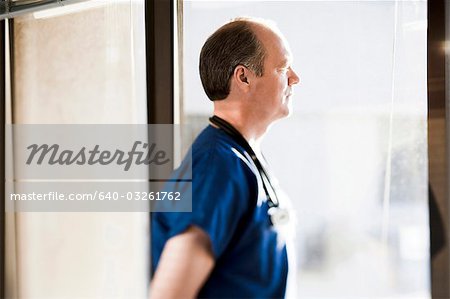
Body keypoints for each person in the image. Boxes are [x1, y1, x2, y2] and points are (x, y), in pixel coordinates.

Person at [150, 17, 300, 299]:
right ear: (243, 77)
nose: (295, 78)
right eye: (283, 68)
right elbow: (169, 294)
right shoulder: (217, 167)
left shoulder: (243, 158)